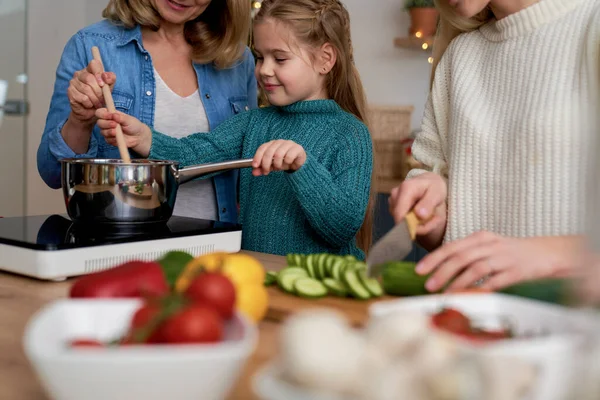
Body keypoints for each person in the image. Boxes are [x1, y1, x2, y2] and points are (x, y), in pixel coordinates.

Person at [94, 0, 375, 258]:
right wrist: (145, 138)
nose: (264, 70)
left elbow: (341, 228)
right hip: (261, 281)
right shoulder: (254, 122)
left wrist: (303, 167)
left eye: (280, 58)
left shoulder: (350, 134)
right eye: (260, 57)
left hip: (321, 291)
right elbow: (196, 153)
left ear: (325, 59)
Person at [389, 0, 600, 292]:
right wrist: (434, 211)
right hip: (469, 321)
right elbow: (452, 220)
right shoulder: (459, 56)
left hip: (575, 330)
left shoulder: (592, 23)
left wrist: (553, 255)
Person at [37, 0, 257, 223]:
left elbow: (249, 171)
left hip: (218, 248)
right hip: (120, 248)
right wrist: (80, 121)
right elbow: (53, 174)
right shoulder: (90, 44)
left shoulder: (237, 58)